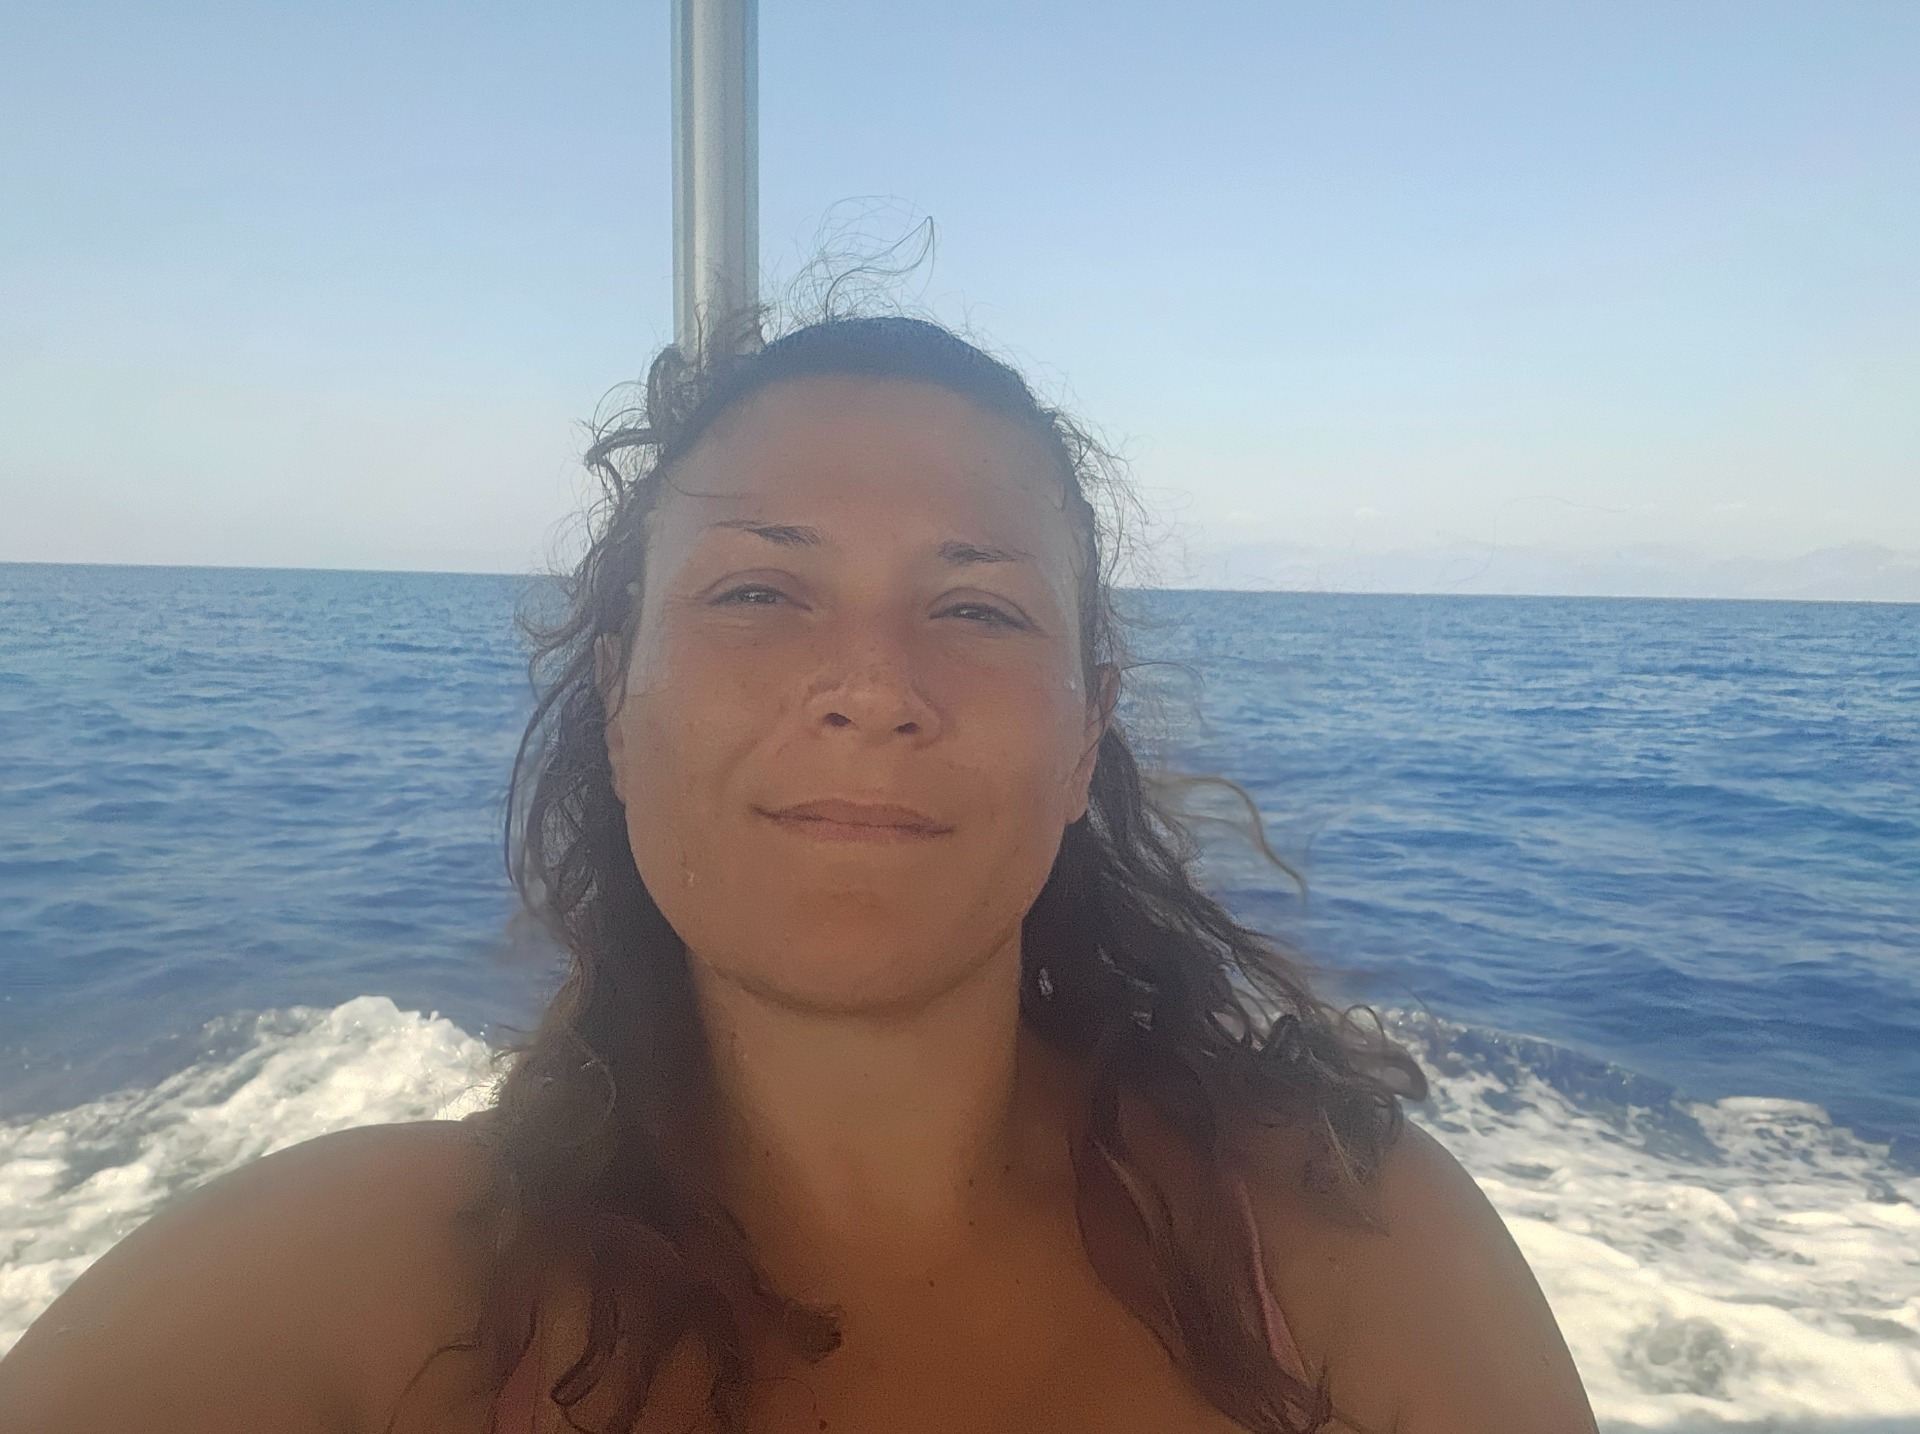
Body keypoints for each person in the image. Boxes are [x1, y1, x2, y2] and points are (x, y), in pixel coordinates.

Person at [0, 315, 1596, 1433]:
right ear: (618, 706)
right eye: (761, 591)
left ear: (1084, 734)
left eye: (976, 608)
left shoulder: (1344, 1243)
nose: (872, 685)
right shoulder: (352, 1289)